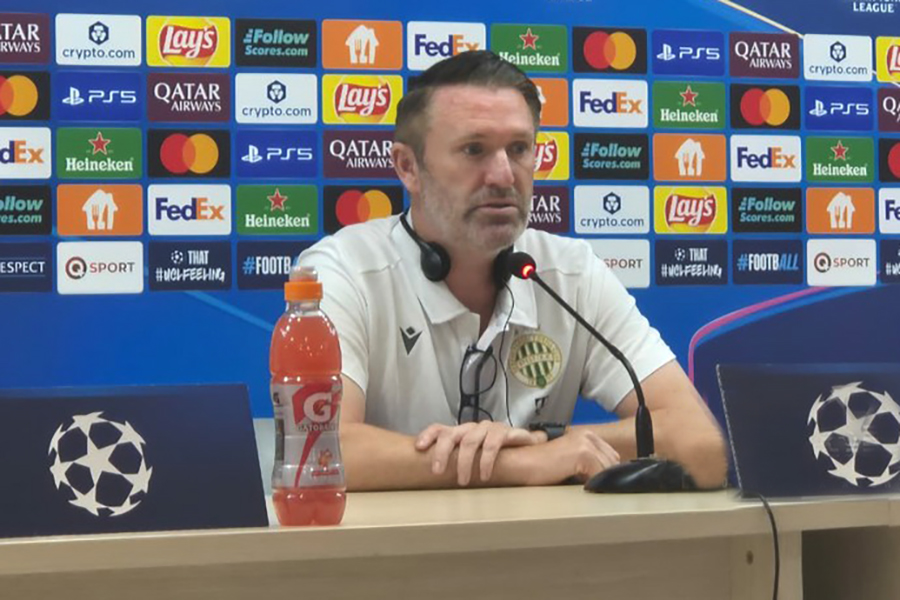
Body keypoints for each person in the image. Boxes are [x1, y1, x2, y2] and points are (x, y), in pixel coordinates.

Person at [298, 50, 727, 491]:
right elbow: (316, 450)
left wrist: (546, 441)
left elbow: (702, 443)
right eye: (474, 150)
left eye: (519, 149)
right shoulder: (342, 272)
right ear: (408, 167)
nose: (503, 175)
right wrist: (516, 464)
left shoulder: (570, 273)